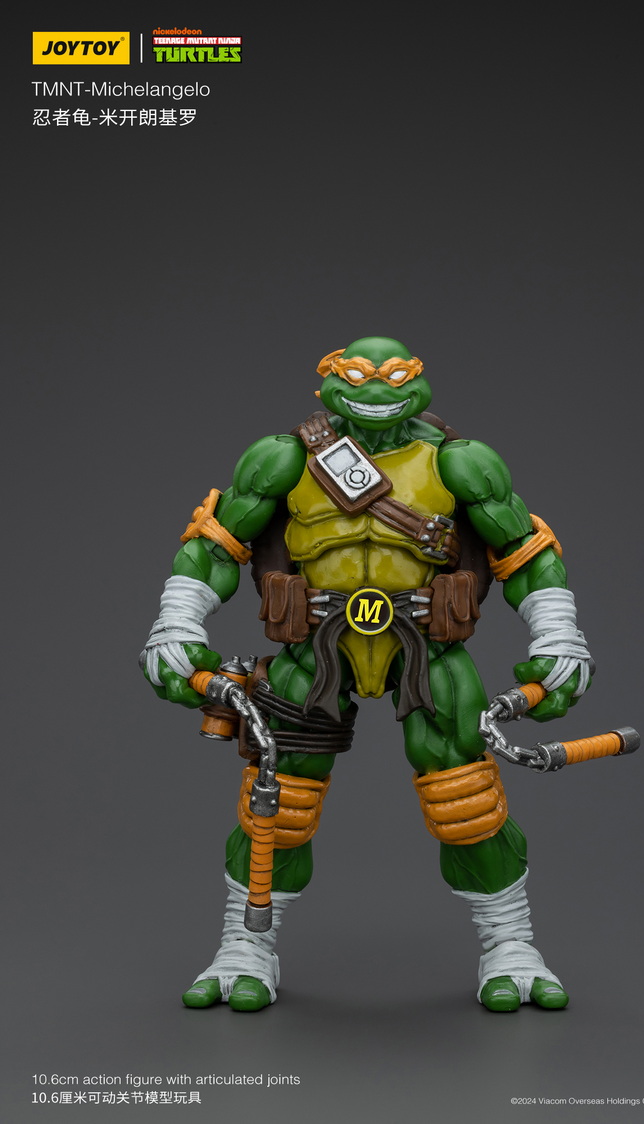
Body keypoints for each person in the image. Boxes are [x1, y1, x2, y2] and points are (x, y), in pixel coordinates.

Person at [140, 336, 592, 1012]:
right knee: (279, 803)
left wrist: (558, 634)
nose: (376, 390)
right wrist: (177, 620)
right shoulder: (285, 459)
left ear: (417, 382)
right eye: (357, 376)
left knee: (467, 803)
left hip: (428, 648)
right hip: (313, 648)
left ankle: (512, 948)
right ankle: (243, 949)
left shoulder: (460, 463)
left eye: (394, 376)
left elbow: (523, 551)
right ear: (329, 381)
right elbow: (216, 545)